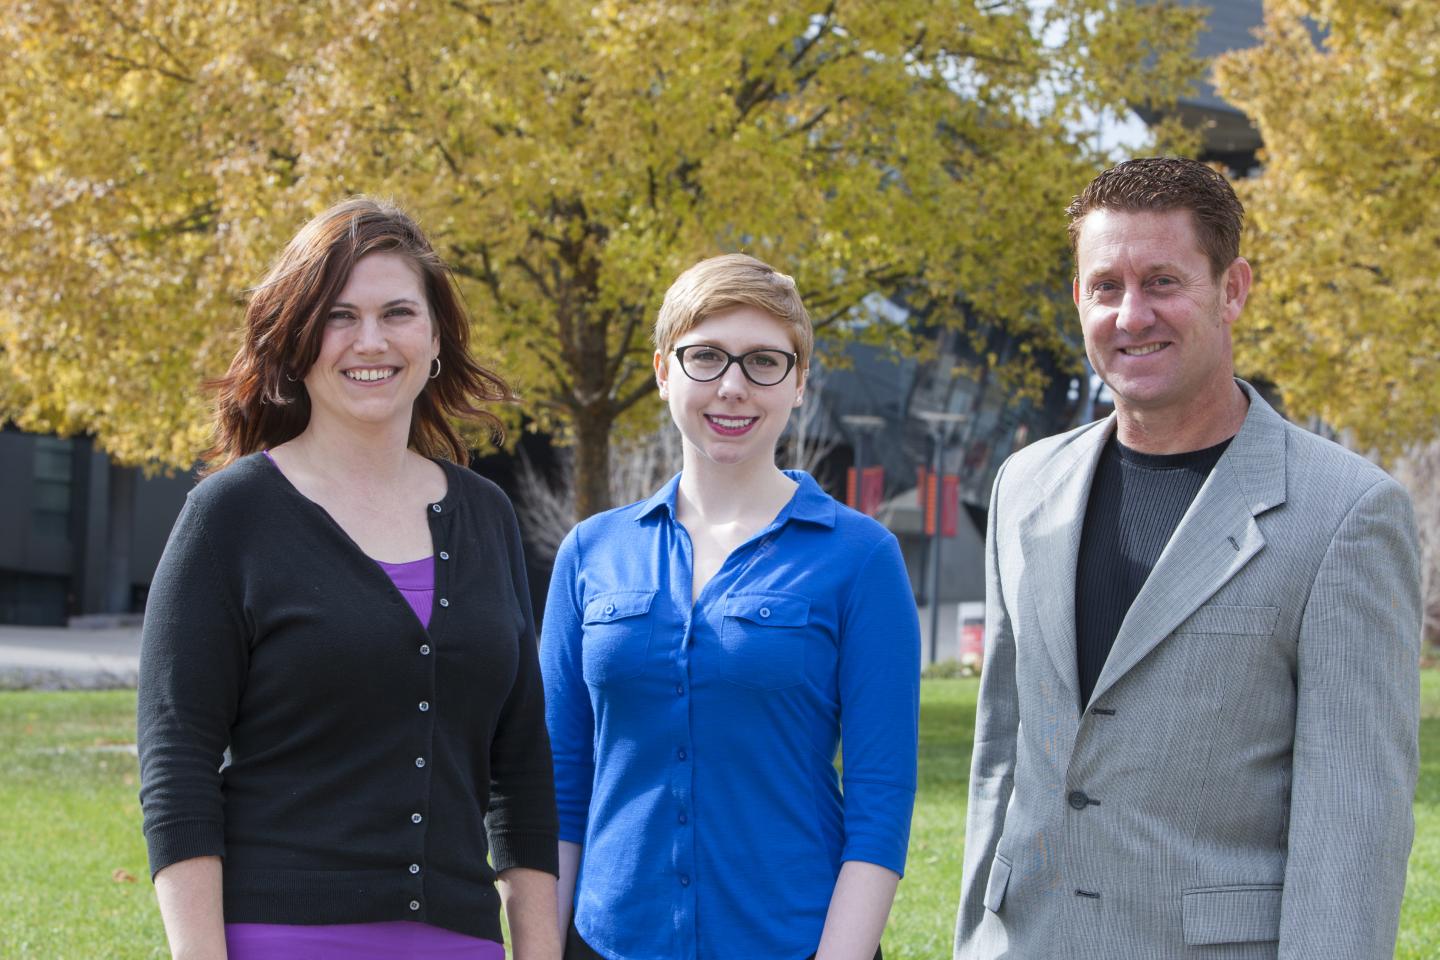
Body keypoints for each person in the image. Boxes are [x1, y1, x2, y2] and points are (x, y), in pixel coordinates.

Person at [953, 157, 1422, 959]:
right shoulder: (1023, 486)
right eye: (1105, 286)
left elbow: (1352, 828)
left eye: (1163, 281)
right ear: (1078, 298)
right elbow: (1002, 750)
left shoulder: (1347, 515)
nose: (1131, 315)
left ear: (1233, 289)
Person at [137, 198, 561, 960]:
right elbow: (178, 769)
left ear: (435, 341)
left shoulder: (486, 516)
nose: (371, 341)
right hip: (278, 939)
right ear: (297, 341)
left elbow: (521, 769)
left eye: (398, 312)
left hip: (461, 943)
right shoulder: (229, 516)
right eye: (339, 316)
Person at [540, 254, 921, 960]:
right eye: (706, 357)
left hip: (794, 940)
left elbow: (881, 799)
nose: (733, 387)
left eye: (764, 362)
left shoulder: (861, 557)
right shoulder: (590, 553)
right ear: (663, 371)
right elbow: (560, 782)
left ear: (800, 381)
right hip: (607, 939)